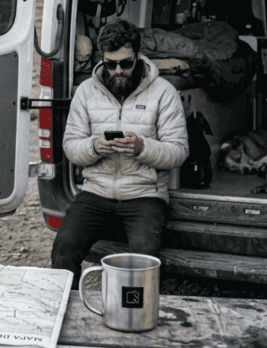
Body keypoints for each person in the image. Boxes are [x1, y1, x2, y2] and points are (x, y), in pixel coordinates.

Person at [51, 20, 189, 287]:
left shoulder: (164, 93)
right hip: (96, 192)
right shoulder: (86, 93)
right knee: (63, 249)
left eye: (125, 64)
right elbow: (70, 146)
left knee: (144, 263)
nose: (117, 71)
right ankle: (64, 314)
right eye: (109, 64)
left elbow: (178, 152)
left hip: (144, 195)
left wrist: (142, 148)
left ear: (137, 56)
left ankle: (134, 317)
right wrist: (93, 147)